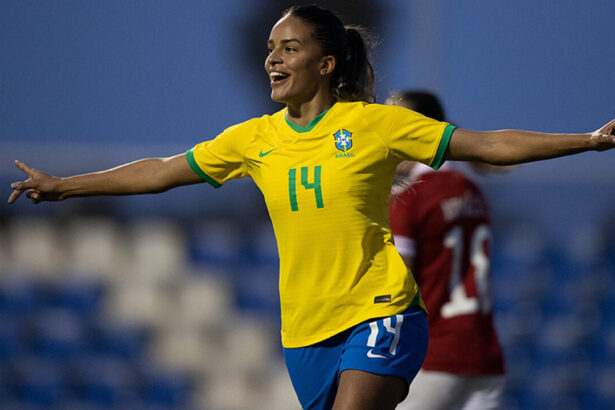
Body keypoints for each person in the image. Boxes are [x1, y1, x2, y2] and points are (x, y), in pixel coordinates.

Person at [7, 5, 615, 410]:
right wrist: (65, 187)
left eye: (288, 47)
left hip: (383, 311)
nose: (272, 57)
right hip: (304, 332)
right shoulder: (252, 139)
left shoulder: (377, 125)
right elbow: (161, 172)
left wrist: (587, 140)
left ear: (325, 64)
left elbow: (487, 144)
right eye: (270, 47)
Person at [387, 91, 505, 410]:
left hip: (437, 355)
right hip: (486, 355)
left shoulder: (411, 197)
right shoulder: (471, 190)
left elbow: (397, 280)